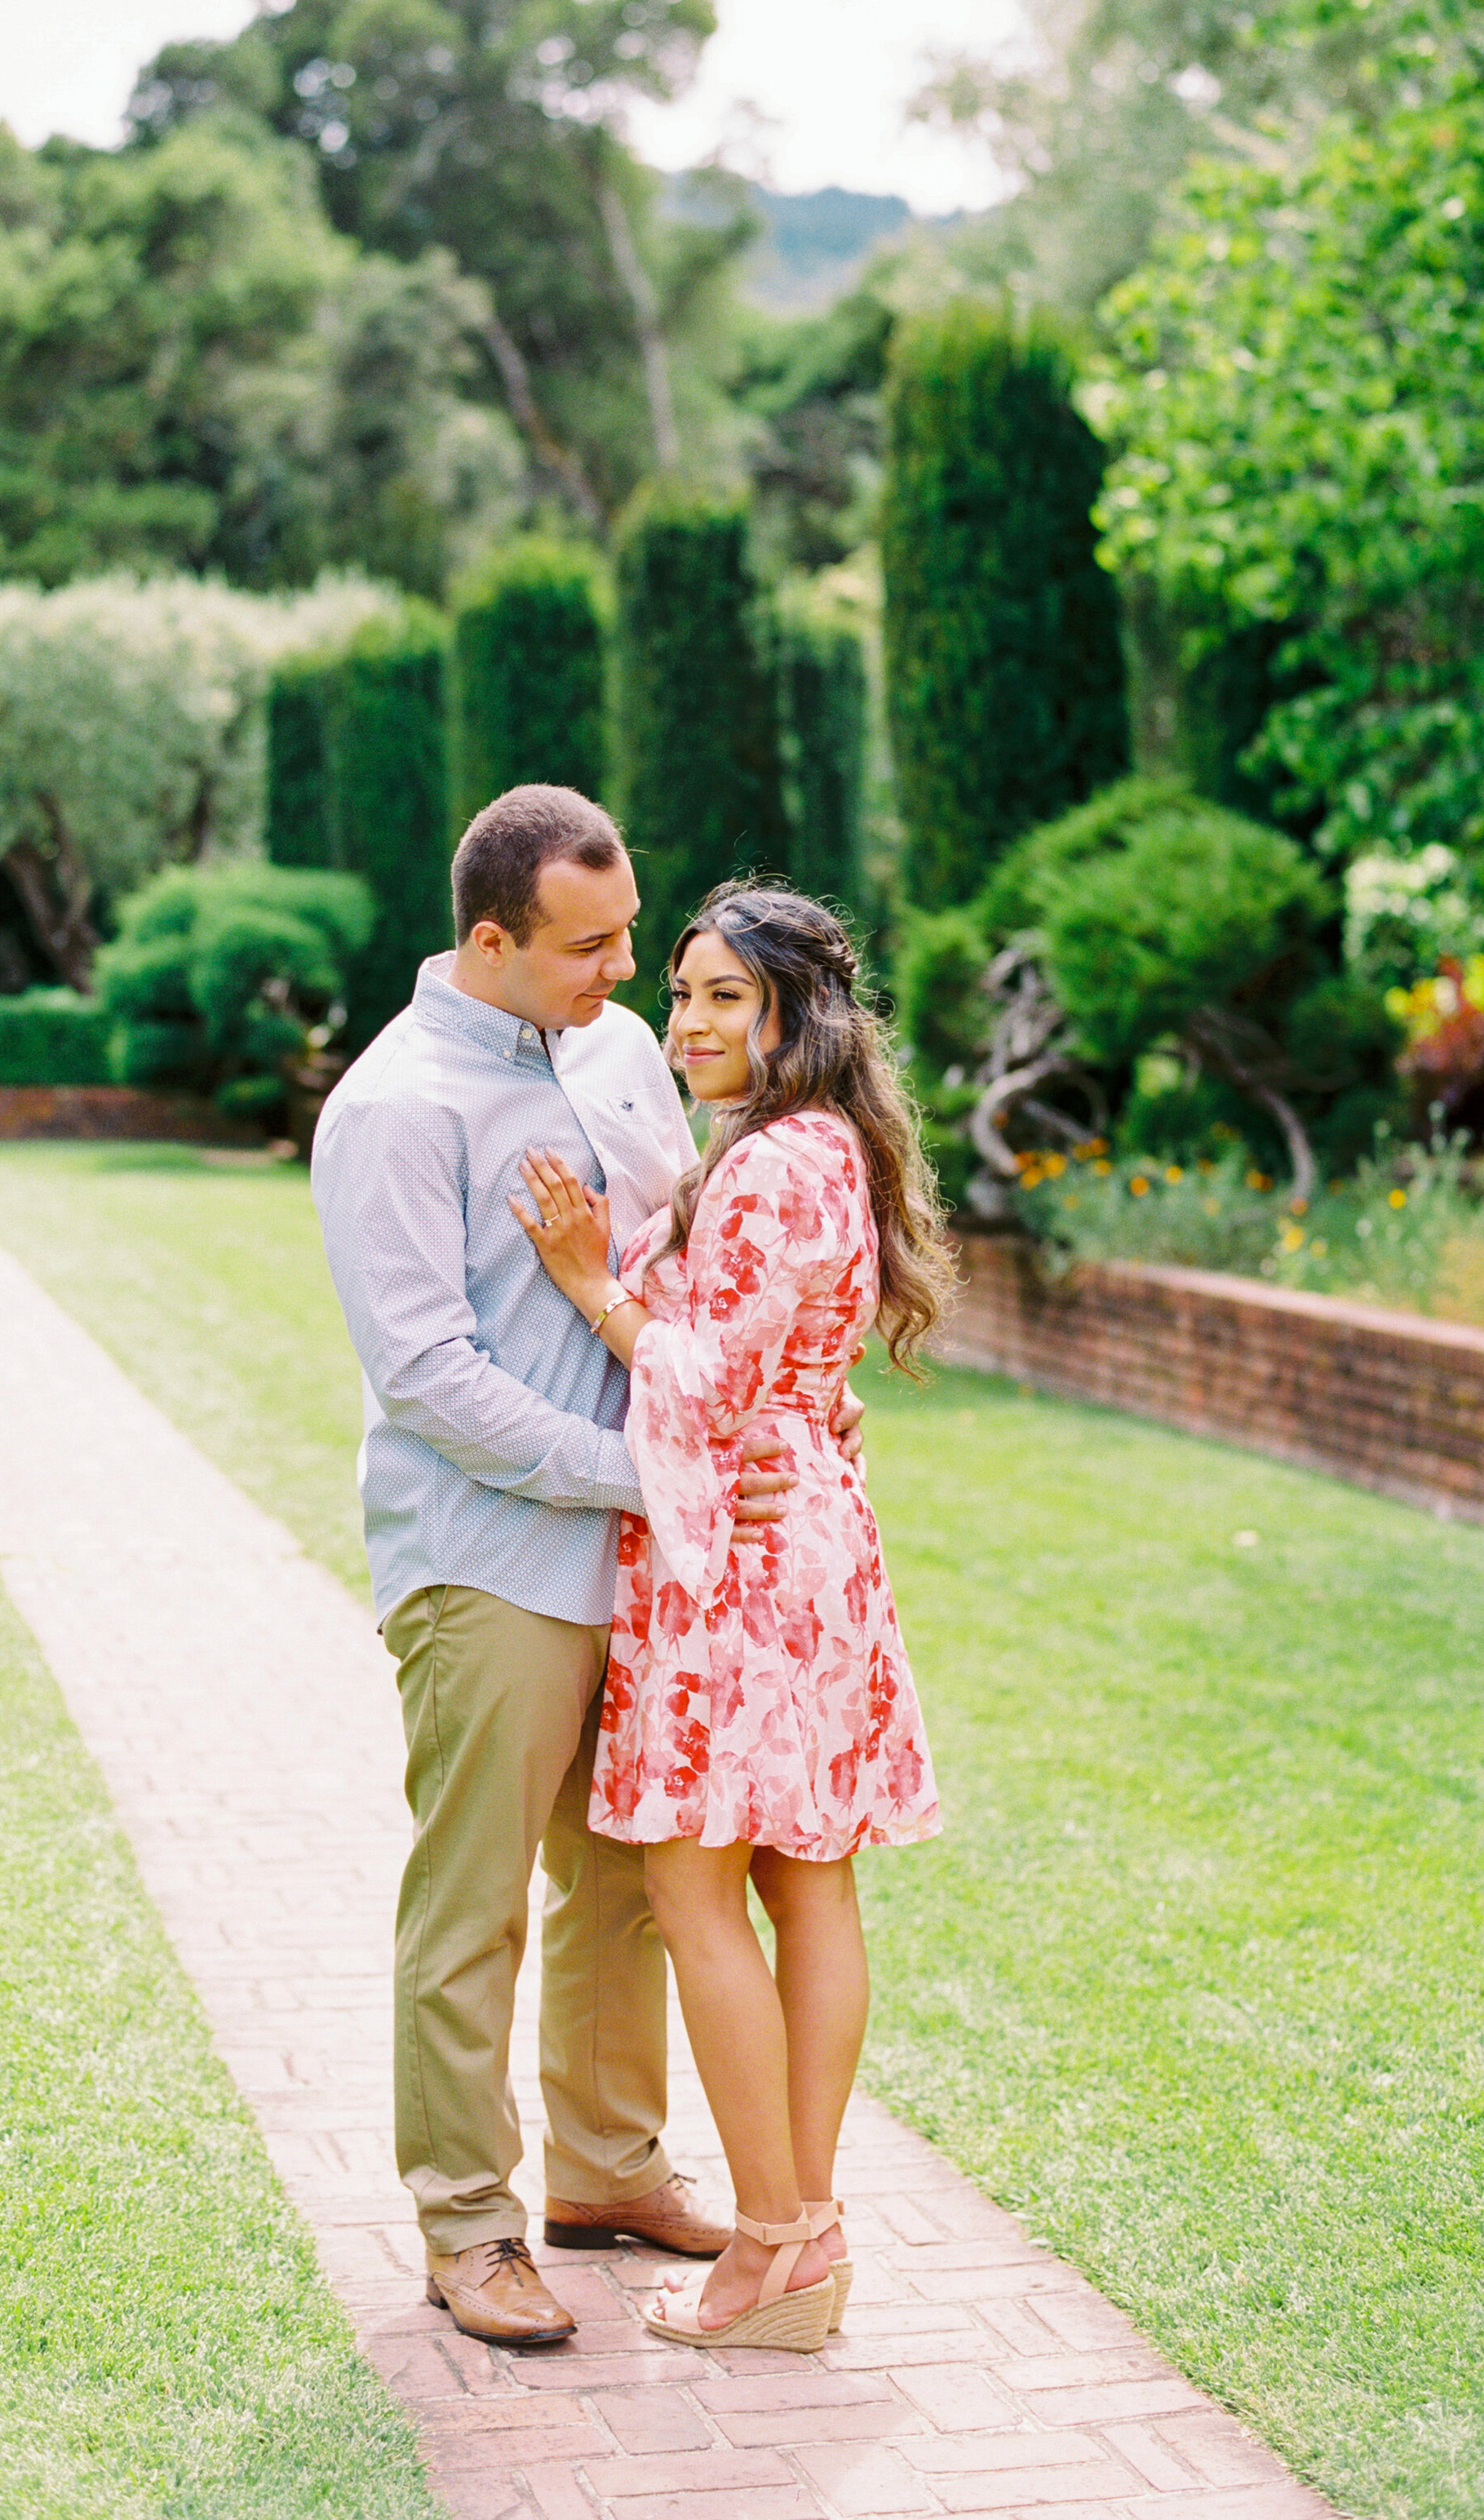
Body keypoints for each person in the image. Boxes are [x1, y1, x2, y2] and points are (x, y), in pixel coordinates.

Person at [310, 789, 866, 2348]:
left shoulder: (620, 1054)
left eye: (634, 933)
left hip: (656, 1560)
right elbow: (431, 1374)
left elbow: (690, 1273)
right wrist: (658, 1468)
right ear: (489, 939)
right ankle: (469, 2225)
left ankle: (610, 2171)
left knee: (625, 1879)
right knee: (474, 1899)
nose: (627, 969)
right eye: (590, 945)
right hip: (490, 1561)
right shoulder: (393, 1109)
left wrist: (788, 1391)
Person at [510, 883, 949, 2352]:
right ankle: (799, 2238)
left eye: (722, 998)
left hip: (744, 1569)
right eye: (682, 992)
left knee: (700, 1892)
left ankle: (779, 2234)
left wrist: (589, 1284)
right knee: (809, 1884)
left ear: (794, 1013)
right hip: (809, 1535)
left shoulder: (771, 1166)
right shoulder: (825, 1151)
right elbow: (795, 1365)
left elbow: (699, 1378)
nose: (687, 1021)